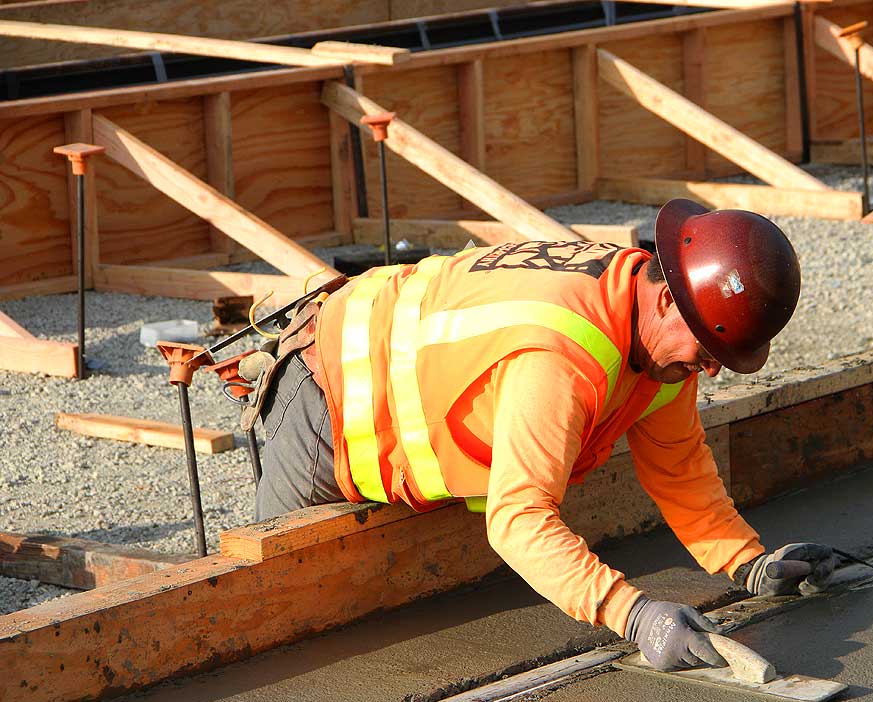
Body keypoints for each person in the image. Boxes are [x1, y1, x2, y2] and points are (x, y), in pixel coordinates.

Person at [248, 198, 840, 672]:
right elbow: (517, 520)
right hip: (331, 396)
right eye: (707, 352)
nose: (708, 370)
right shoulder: (559, 357)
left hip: (395, 385)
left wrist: (749, 563)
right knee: (271, 618)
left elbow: (679, 466)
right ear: (667, 298)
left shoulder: (659, 339)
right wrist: (634, 616)